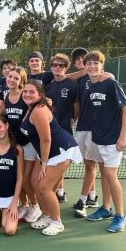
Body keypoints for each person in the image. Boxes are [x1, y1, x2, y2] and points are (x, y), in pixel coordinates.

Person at [21, 80, 82, 236]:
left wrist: (43, 163)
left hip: (61, 150)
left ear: (40, 94)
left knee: (44, 187)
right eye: (25, 91)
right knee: (35, 182)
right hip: (46, 152)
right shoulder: (31, 107)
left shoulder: (39, 111)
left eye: (31, 92)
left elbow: (46, 139)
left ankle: (56, 221)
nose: (27, 94)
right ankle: (47, 216)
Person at [83, 50, 126, 232]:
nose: (92, 66)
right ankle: (105, 208)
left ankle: (121, 216)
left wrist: (122, 136)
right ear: (85, 66)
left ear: (102, 66)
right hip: (98, 137)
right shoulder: (89, 84)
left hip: (112, 139)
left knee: (111, 175)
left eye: (96, 63)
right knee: (103, 172)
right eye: (89, 63)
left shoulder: (111, 83)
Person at [4, 66, 42, 223]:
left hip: (29, 144)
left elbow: (39, 109)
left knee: (25, 179)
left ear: (22, 81)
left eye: (16, 78)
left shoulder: (25, 97)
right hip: (14, 144)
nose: (11, 80)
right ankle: (24, 205)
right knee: (14, 178)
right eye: (10, 76)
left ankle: (35, 206)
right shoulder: (6, 95)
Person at [46, 53, 79, 203]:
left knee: (61, 163)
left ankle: (56, 192)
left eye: (61, 65)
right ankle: (58, 192)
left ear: (66, 67)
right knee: (53, 162)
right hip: (50, 131)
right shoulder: (48, 85)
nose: (58, 68)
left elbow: (76, 107)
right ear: (51, 66)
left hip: (65, 130)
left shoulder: (72, 84)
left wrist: (72, 120)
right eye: (55, 65)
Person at [71, 47, 100, 217]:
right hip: (81, 127)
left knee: (90, 164)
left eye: (87, 60)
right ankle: (92, 197)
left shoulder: (102, 78)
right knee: (88, 164)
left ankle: (82, 200)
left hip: (96, 129)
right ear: (75, 63)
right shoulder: (76, 81)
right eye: (80, 60)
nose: (83, 63)